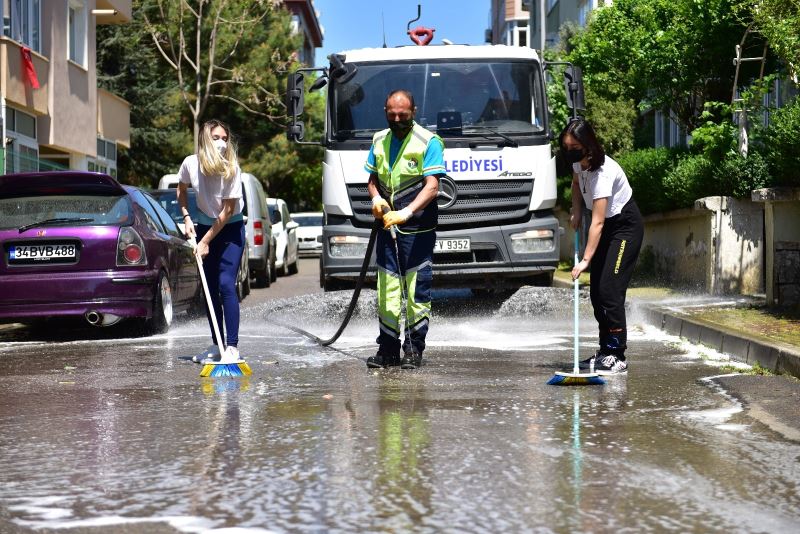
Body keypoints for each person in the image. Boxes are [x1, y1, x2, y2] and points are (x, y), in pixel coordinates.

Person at [365, 89, 444, 369]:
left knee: (415, 291)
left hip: (417, 230)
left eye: (403, 115)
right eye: (392, 114)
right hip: (386, 228)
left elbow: (433, 186)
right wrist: (376, 198)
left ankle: (413, 350)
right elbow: (372, 179)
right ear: (385, 110)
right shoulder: (378, 140)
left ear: (414, 111)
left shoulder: (428, 142)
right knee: (386, 290)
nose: (397, 119)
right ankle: (387, 350)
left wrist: (407, 212)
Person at [561, 118, 643, 374]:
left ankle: (618, 355)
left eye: (574, 146)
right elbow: (576, 184)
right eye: (566, 147)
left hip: (624, 229)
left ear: (587, 145)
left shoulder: (603, 172)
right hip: (607, 228)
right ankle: (605, 351)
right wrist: (575, 209)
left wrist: (585, 260)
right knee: (596, 292)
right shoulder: (579, 163)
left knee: (609, 291)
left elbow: (596, 222)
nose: (570, 152)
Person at [177, 119, 245, 364]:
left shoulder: (232, 168)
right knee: (209, 289)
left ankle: (233, 347)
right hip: (206, 226)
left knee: (226, 283)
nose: (222, 143)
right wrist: (186, 218)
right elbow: (181, 189)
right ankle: (217, 344)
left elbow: (227, 212)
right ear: (205, 139)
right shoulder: (190, 164)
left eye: (225, 139)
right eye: (216, 138)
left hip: (231, 229)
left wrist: (204, 241)